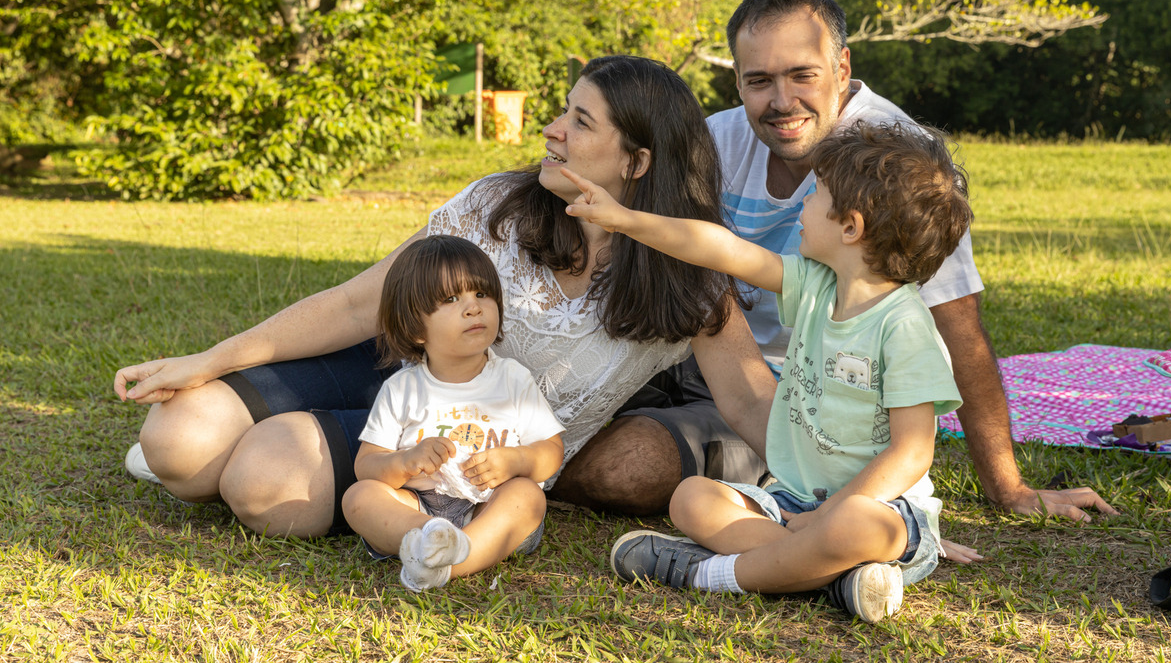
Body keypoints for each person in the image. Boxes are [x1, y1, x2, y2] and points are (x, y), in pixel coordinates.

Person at [114, 55, 779, 538]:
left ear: (637, 162)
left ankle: (256, 451)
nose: (552, 129)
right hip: (389, 365)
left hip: (453, 454)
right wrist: (212, 359)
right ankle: (221, 443)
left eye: (579, 121)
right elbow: (357, 304)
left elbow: (750, 397)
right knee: (176, 437)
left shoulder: (688, 281)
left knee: (261, 486)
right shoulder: (499, 207)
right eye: (562, 111)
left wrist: (846, 490)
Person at [569, 0, 1117, 523]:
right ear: (736, 79)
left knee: (624, 467)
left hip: (795, 402)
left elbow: (959, 326)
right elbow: (693, 244)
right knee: (547, 407)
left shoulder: (895, 163)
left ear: (842, 68)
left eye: (802, 75)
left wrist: (1008, 487)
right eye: (759, 80)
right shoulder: (714, 140)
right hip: (692, 352)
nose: (782, 102)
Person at [561, 120, 967, 622]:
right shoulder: (816, 285)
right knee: (691, 498)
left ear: (850, 227)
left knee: (856, 530)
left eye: (815, 194)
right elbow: (721, 250)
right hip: (789, 498)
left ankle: (707, 574)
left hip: (877, 508)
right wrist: (626, 220)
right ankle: (834, 580)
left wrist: (833, 514)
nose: (802, 205)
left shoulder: (904, 326)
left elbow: (913, 451)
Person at [342, 235, 565, 591]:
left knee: (527, 496)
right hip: (418, 507)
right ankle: (427, 541)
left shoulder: (512, 379)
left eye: (481, 294)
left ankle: (452, 564)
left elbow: (552, 451)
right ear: (415, 328)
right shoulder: (403, 388)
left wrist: (516, 460)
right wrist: (405, 461)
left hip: (490, 508)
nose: (473, 308)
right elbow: (366, 465)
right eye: (451, 299)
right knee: (359, 497)